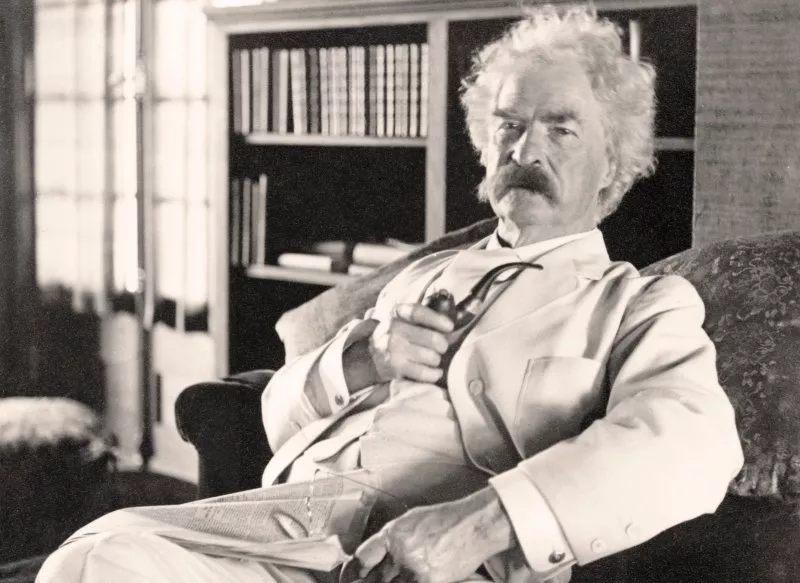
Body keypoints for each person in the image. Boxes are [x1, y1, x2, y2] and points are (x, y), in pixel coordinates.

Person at [37, 5, 743, 583]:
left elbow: (692, 441)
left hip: (422, 554)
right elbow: (277, 420)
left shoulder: (635, 304)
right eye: (509, 126)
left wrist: (480, 521)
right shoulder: (419, 279)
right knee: (94, 554)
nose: (526, 152)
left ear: (614, 168)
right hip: (293, 524)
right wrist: (362, 358)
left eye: (561, 129)